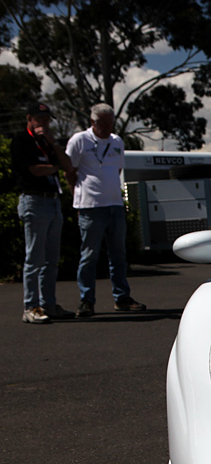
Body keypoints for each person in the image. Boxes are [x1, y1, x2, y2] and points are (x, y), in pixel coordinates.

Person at [65, 103, 145, 318]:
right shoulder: (79, 140)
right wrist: (77, 195)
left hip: (115, 205)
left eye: (110, 123)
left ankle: (122, 298)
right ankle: (86, 300)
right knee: (89, 256)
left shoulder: (116, 141)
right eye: (103, 123)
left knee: (118, 255)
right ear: (93, 122)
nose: (107, 127)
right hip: (90, 206)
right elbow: (69, 171)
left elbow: (118, 169)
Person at [12, 101, 77, 324]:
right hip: (33, 200)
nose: (44, 124)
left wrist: (54, 145)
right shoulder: (22, 141)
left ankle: (49, 303)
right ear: (29, 119)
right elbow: (34, 170)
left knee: (51, 259)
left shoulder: (50, 143)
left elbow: (69, 166)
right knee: (35, 258)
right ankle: (30, 306)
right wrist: (53, 168)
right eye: (39, 120)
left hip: (53, 202)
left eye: (47, 120)